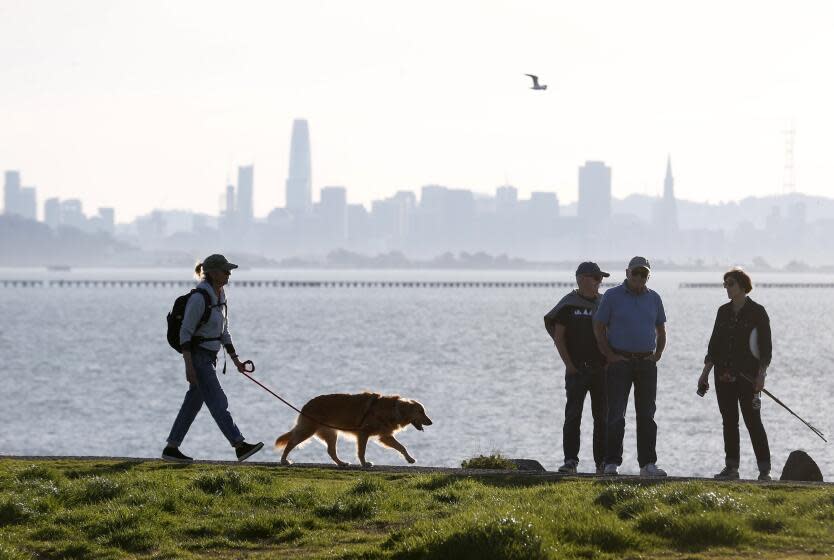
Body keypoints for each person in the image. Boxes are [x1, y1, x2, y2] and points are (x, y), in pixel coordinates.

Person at [162, 254, 264, 464]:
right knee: (218, 401)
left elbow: (224, 332)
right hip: (198, 357)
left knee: (192, 405)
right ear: (213, 273)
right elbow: (185, 334)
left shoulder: (220, 295)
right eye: (225, 270)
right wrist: (189, 367)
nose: (229, 274)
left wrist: (236, 360)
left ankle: (171, 448)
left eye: (229, 270)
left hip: (210, 356)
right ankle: (239, 445)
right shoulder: (200, 298)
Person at [593, 256, 667, 477]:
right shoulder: (612, 296)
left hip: (646, 363)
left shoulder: (654, 298)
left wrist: (658, 354)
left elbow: (661, 329)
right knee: (616, 414)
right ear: (627, 273)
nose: (639, 278)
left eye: (644, 274)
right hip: (620, 363)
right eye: (636, 273)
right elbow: (598, 326)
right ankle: (611, 463)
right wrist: (609, 354)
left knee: (647, 415)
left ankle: (647, 464)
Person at [698, 267, 772, 481]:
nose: (727, 288)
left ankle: (764, 470)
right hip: (722, 375)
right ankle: (731, 469)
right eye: (725, 284)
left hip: (748, 377)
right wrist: (704, 374)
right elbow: (714, 346)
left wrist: (761, 376)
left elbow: (765, 349)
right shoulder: (722, 311)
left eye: (730, 284)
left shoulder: (758, 312)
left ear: (742, 285)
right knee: (729, 421)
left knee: (753, 421)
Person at [544, 262, 610, 474]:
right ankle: (571, 460)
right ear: (582, 279)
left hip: (601, 370)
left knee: (602, 418)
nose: (600, 282)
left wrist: (610, 360)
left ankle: (602, 463)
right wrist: (569, 365)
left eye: (600, 279)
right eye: (596, 278)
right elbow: (559, 337)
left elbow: (613, 332)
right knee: (573, 416)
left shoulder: (604, 303)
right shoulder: (569, 304)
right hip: (577, 371)